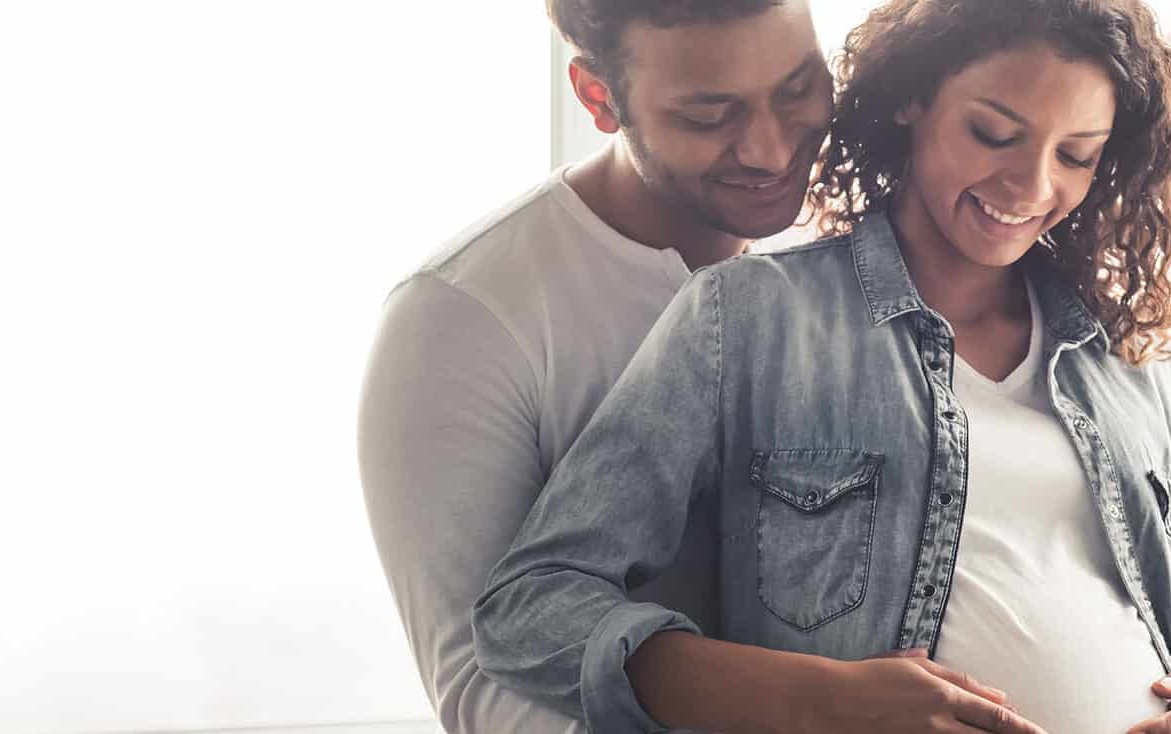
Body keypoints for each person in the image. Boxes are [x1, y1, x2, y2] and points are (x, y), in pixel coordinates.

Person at [473, 0, 1171, 732]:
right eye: (994, 133)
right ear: (914, 98)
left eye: (1077, 154)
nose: (1031, 183)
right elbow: (530, 610)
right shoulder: (751, 320)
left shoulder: (1129, 355)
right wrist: (819, 700)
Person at [356, 1, 833, 732]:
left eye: (799, 90)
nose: (771, 152)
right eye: (709, 118)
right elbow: (483, 692)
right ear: (598, 98)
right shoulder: (462, 318)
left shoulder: (858, 260)